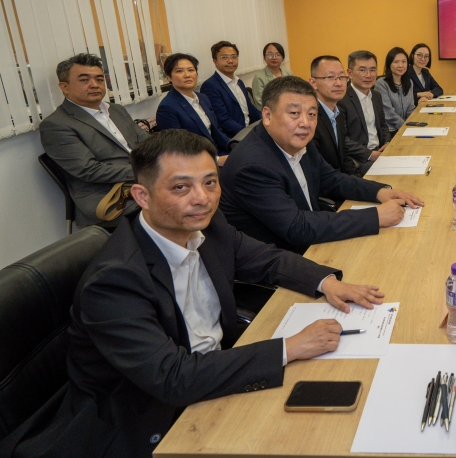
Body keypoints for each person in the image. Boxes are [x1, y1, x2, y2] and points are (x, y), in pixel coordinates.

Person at [0, 130, 385, 458]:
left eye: (210, 182)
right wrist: (289, 348)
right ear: (142, 196)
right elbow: (173, 378)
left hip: (213, 372)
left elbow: (265, 259)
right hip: (148, 417)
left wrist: (326, 282)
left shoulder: (207, 226)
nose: (202, 198)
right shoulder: (114, 282)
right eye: (181, 187)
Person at [219, 76, 423, 254]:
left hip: (315, 240)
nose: (305, 123)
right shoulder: (252, 166)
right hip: (284, 260)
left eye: (312, 114)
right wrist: (374, 216)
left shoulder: (298, 141)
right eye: (294, 113)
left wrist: (380, 192)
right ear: (267, 116)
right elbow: (296, 228)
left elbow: (331, 179)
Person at [39, 53, 148, 226]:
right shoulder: (56, 125)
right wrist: (146, 171)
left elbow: (147, 143)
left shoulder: (116, 110)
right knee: (175, 203)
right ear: (64, 87)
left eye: (99, 79)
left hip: (141, 181)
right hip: (109, 197)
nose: (94, 85)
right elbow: (90, 170)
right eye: (84, 80)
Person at [155, 53, 231, 158]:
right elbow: (178, 149)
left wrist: (235, 145)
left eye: (191, 70)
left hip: (217, 152)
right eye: (179, 71)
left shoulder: (203, 98)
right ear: (169, 77)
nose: (187, 75)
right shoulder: (167, 108)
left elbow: (217, 131)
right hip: (197, 160)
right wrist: (216, 160)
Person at [309, 55, 370, 176]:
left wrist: (358, 180)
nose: (338, 83)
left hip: (342, 179)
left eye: (342, 77)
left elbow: (345, 157)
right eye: (330, 77)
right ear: (313, 83)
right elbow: (320, 170)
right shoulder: (310, 118)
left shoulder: (337, 112)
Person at [341, 50, 391, 174]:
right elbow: (342, 139)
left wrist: (387, 143)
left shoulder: (376, 96)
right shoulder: (341, 99)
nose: (369, 75)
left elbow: (383, 125)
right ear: (350, 73)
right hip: (359, 159)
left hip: (380, 152)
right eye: (362, 70)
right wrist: (369, 154)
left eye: (373, 70)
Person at [200, 41, 261, 138]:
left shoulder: (239, 82)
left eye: (234, 57)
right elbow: (222, 120)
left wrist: (269, 121)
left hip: (249, 131)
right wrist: (249, 134)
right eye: (224, 57)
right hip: (232, 138)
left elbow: (251, 110)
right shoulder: (210, 86)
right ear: (215, 61)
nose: (230, 61)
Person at [374, 47, 418, 135]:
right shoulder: (381, 84)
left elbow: (410, 108)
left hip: (405, 127)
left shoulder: (409, 82)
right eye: (396, 62)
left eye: (404, 61)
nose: (401, 65)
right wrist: (406, 127)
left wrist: (414, 124)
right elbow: (389, 114)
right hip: (389, 131)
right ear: (389, 64)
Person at [251, 42, 294, 109]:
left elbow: (294, 95)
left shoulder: (289, 74)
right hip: (271, 112)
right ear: (264, 58)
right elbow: (260, 103)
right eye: (270, 54)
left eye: (278, 54)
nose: (274, 57)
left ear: (283, 58)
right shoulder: (259, 77)